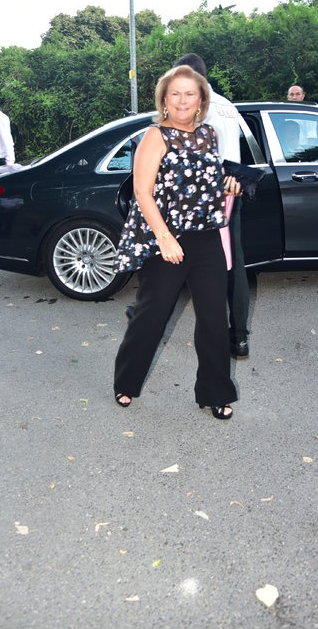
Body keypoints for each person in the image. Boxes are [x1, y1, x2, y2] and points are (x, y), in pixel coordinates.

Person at [113, 65, 240, 420]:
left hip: (206, 237)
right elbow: (142, 191)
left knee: (214, 319)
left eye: (190, 94)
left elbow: (204, 183)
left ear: (201, 100)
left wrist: (228, 187)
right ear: (164, 100)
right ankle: (126, 380)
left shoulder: (210, 134)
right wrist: (165, 239)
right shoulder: (155, 136)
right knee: (152, 314)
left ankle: (215, 392)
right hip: (165, 238)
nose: (182, 101)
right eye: (175, 94)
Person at [174, 53, 250, 359]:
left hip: (206, 193)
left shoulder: (199, 105)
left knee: (195, 260)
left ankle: (150, 310)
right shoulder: (228, 105)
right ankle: (239, 337)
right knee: (235, 263)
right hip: (233, 188)